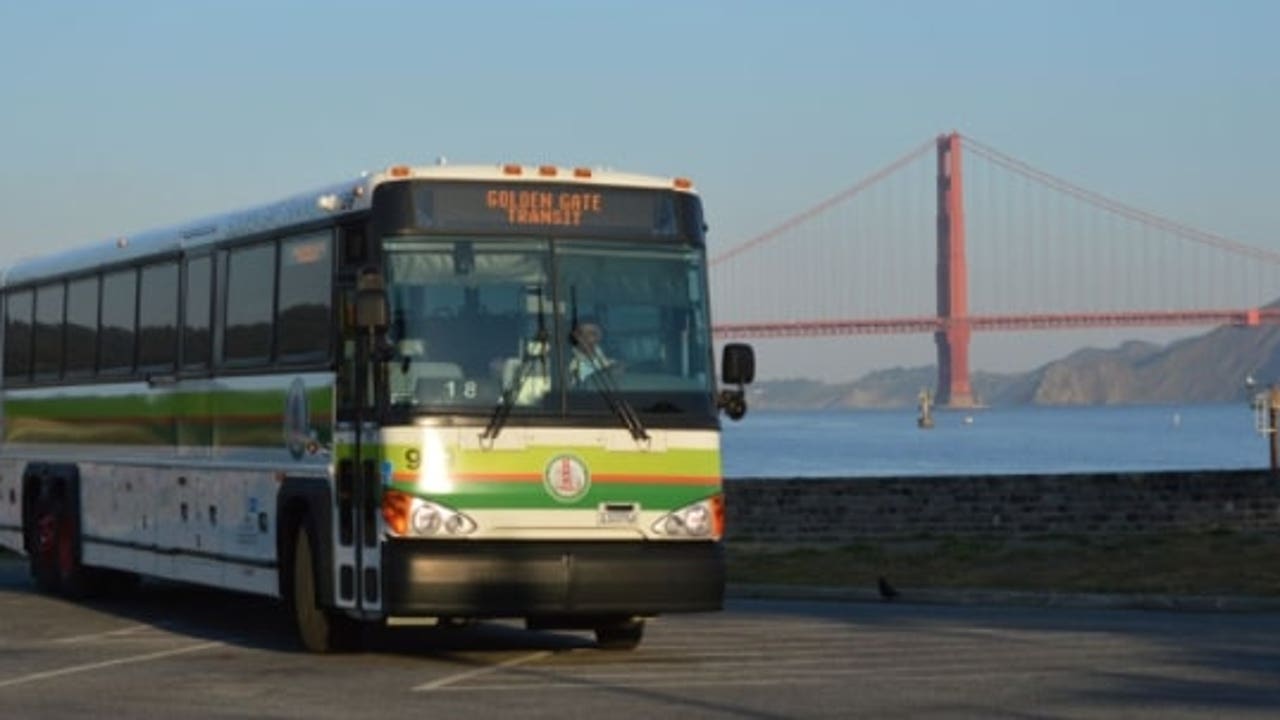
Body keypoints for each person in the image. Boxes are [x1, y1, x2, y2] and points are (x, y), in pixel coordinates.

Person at [569, 320, 619, 385]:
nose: (585, 337)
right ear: (575, 337)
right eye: (581, 334)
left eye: (592, 333)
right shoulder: (565, 360)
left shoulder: (612, 356)